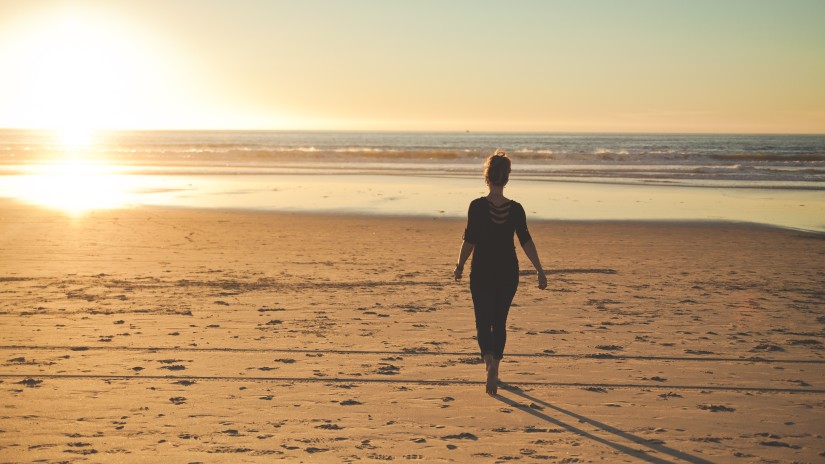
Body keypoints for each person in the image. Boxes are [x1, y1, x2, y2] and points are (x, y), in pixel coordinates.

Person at [453, 149, 547, 396]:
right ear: (506, 178)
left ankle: (488, 364)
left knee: (483, 321)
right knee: (500, 321)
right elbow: (526, 241)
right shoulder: (516, 209)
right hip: (508, 272)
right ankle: (496, 365)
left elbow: (469, 241)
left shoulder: (476, 207)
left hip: (482, 271)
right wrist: (539, 269)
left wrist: (459, 265)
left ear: (487, 177)